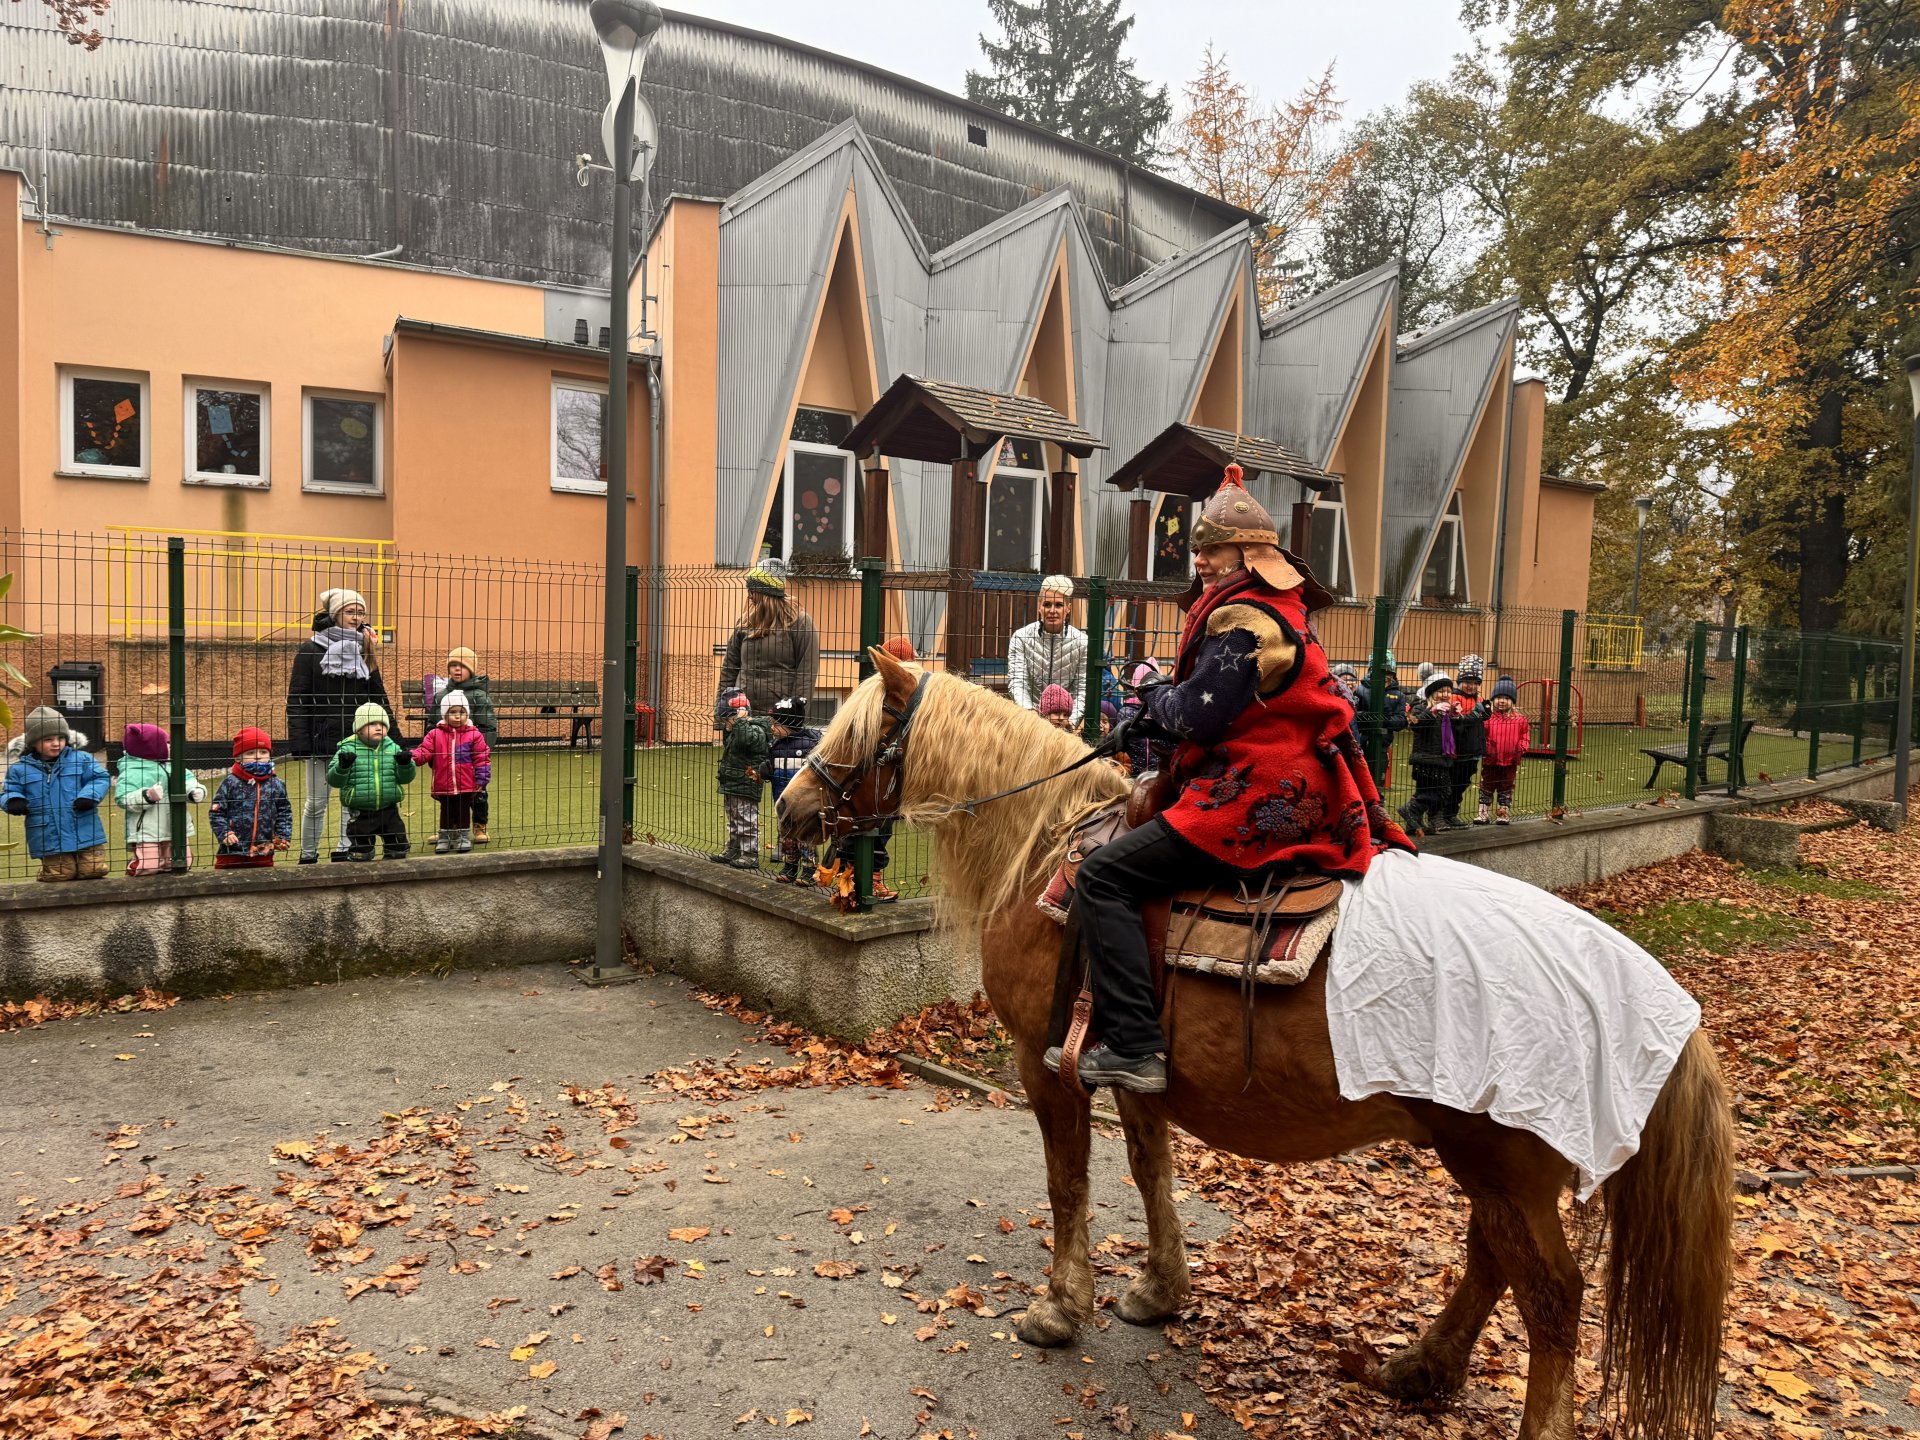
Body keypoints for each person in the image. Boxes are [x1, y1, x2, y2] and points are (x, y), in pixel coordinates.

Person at [1047, 467, 1413, 1094]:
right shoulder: (1282, 610)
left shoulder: (1245, 619)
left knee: (1103, 875)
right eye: (1199, 550)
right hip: (1304, 787)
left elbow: (1199, 716)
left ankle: (1135, 1046)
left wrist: (1152, 696)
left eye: (1211, 550)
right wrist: (1159, 709)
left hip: (1254, 796)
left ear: (1249, 554)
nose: (1200, 561)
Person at [287, 588, 398, 864]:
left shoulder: (365, 648)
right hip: (321, 738)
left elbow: (377, 694)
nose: (356, 617)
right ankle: (308, 854)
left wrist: (395, 736)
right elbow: (298, 697)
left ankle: (345, 848)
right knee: (317, 802)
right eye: (350, 611)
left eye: (360, 612)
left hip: (357, 739)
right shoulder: (310, 649)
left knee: (353, 801)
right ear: (335, 614)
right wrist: (301, 742)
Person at [2, 707, 110, 882]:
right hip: (48, 834)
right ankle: (46, 875)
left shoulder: (81, 759)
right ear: (33, 742)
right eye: (48, 739)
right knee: (61, 873)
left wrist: (90, 795)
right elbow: (10, 790)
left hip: (84, 826)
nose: (56, 743)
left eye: (61, 738)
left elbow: (99, 778)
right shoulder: (19, 769)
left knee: (93, 869)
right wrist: (13, 800)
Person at [715, 559, 819, 720]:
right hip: (742, 716)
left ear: (767, 593)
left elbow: (806, 674)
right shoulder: (745, 623)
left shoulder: (800, 622)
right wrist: (722, 713)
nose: (749, 596)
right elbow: (729, 669)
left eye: (753, 590)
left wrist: (793, 719)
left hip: (778, 719)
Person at [114, 722, 206, 875]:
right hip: (146, 829)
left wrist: (194, 791)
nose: (170, 746)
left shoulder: (173, 765)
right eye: (166, 743)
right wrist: (146, 796)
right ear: (150, 747)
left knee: (181, 862)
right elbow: (123, 798)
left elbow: (188, 780)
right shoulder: (132, 771)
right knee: (148, 866)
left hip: (175, 825)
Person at [327, 702, 415, 861]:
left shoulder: (393, 748)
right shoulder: (347, 749)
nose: (378, 727)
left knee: (398, 847)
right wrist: (343, 766)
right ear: (359, 728)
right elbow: (334, 781)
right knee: (362, 851)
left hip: (389, 808)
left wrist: (405, 765)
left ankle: (395, 862)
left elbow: (405, 779)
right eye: (372, 723)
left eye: (382, 724)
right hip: (361, 810)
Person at [427, 647, 497, 843]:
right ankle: (450, 829)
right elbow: (432, 725)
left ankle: (479, 826)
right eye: (453, 665)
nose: (457, 669)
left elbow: (488, 727)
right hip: (446, 756)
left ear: (471, 669)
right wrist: (433, 753)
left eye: (462, 666)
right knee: (448, 795)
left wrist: (480, 754)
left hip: (470, 756)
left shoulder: (479, 696)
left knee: (478, 792)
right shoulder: (441, 696)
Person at [412, 691, 491, 854]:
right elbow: (424, 750)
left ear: (467, 714)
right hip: (444, 782)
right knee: (446, 811)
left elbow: (482, 757)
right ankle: (445, 837)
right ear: (444, 714)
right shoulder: (435, 734)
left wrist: (482, 778)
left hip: (466, 782)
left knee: (463, 810)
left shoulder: (474, 734)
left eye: (461, 712)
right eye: (452, 712)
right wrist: (412, 757)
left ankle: (463, 837)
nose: (457, 716)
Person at [1006, 575, 1086, 724]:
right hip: (1031, 720)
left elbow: (1082, 689)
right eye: (1047, 604)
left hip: (1065, 719)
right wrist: (1030, 715)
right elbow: (1018, 682)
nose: (1052, 610)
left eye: (1059, 605)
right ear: (1039, 606)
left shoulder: (1082, 642)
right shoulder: (1021, 637)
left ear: (1068, 608)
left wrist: (1070, 721)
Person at [211, 726, 294, 868]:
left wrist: (283, 836)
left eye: (263, 752)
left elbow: (284, 812)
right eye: (250, 753)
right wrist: (225, 833)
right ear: (238, 757)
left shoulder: (277, 784)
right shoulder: (230, 783)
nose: (258, 756)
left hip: (264, 853)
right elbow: (216, 812)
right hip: (231, 853)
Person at [711, 692, 771, 870]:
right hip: (732, 783)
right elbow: (730, 743)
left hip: (746, 784)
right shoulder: (738, 729)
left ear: (740, 715)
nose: (726, 723)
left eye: (728, 719)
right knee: (734, 819)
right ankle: (734, 848)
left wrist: (741, 721)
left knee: (746, 820)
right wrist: (731, 727)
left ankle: (750, 854)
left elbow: (746, 741)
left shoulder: (756, 730)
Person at [766, 695, 820, 883]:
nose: (772, 729)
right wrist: (766, 771)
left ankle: (809, 870)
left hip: (804, 802)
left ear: (790, 724)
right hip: (782, 800)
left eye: (776, 724)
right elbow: (770, 767)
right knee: (786, 836)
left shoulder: (811, 743)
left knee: (805, 835)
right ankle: (790, 866)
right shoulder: (775, 745)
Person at [1401, 673, 1462, 835]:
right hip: (1426, 760)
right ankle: (1409, 809)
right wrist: (1433, 710)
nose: (1445, 695)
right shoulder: (1421, 707)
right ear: (1431, 693)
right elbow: (1416, 725)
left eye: (1448, 691)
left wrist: (1456, 716)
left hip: (1442, 758)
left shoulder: (1446, 712)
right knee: (1442, 791)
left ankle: (1414, 825)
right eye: (1441, 691)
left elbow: (1456, 734)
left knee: (1425, 793)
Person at [1350, 651, 1408, 789]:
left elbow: (1401, 721)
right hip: (1361, 743)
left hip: (1382, 745)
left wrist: (1382, 719)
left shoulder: (1398, 695)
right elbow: (1354, 716)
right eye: (1381, 674)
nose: (1385, 678)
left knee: (1377, 785)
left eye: (1389, 674)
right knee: (1357, 783)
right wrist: (1373, 716)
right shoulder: (1360, 690)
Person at [1479, 677, 1531, 825]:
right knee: (1486, 786)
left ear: (1512, 701)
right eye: (1499, 697)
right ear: (1493, 700)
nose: (1502, 701)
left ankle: (1503, 814)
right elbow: (1482, 735)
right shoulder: (1488, 718)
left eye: (1507, 698)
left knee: (1506, 788)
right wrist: (1486, 748)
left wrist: (1521, 748)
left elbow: (1525, 737)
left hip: (1510, 760)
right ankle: (1482, 814)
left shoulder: (1520, 720)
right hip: (1490, 760)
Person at [1445, 654, 1489, 827]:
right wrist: (1476, 715)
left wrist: (1484, 713)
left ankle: (1452, 814)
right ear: (1459, 681)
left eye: (1475, 682)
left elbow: (1480, 719)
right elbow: (1458, 721)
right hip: (1459, 750)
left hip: (1473, 750)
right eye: (1467, 682)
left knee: (1463, 783)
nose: (1471, 686)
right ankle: (1445, 813)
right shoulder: (1454, 698)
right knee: (1453, 783)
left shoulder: (1478, 699)